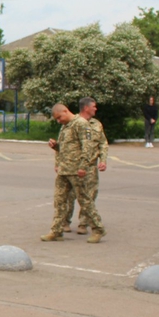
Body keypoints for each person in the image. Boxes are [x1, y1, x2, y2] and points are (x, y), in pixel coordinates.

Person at [41, 103, 89, 242]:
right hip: (64, 169)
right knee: (59, 201)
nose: (58, 121)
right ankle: (56, 231)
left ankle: (98, 228)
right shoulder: (65, 126)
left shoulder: (81, 123)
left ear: (65, 111)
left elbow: (87, 147)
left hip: (76, 170)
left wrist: (83, 166)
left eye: (59, 117)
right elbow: (63, 148)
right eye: (56, 119)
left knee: (85, 200)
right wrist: (55, 146)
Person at [75, 97, 108, 242]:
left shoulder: (97, 124)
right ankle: (63, 222)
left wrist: (103, 160)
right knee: (70, 195)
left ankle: (83, 223)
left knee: (90, 195)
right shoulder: (74, 122)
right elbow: (64, 145)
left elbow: (103, 143)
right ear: (86, 108)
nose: (96, 109)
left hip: (91, 166)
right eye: (94, 106)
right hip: (74, 165)